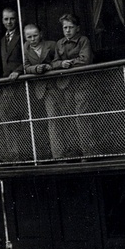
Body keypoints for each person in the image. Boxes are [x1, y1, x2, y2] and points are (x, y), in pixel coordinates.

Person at [49, 13, 94, 158]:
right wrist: (61, 64)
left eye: (70, 27)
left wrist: (70, 64)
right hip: (66, 86)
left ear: (77, 28)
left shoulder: (83, 41)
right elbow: (53, 63)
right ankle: (76, 151)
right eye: (65, 28)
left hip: (82, 84)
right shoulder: (59, 43)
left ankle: (88, 152)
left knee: (82, 118)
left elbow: (86, 60)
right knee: (69, 118)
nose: (67, 30)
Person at [0, 7, 23, 78]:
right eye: (6, 19)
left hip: (20, 77)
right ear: (2, 21)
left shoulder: (22, 36)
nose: (9, 22)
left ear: (17, 19)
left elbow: (29, 58)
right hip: (7, 79)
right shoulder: (2, 40)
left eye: (12, 19)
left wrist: (19, 71)